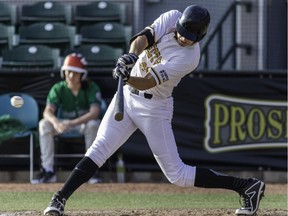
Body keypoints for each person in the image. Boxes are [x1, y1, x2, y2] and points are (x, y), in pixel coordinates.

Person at [43, 5, 265, 216]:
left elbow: (148, 82)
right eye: (182, 32)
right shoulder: (171, 17)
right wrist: (130, 58)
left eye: (190, 36)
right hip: (128, 98)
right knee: (99, 148)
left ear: (200, 38)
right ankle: (59, 198)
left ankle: (246, 186)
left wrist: (127, 76)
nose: (184, 37)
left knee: (177, 175)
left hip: (154, 108)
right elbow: (142, 39)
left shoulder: (189, 58)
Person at [33, 53, 103, 184]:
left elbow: (94, 113)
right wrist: (56, 122)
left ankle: (91, 171)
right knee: (44, 124)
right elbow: (47, 111)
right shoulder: (58, 88)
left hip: (81, 124)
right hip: (62, 125)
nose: (71, 76)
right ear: (63, 72)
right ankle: (48, 170)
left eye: (75, 73)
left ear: (82, 75)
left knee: (94, 124)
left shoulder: (91, 87)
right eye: (68, 72)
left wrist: (72, 122)